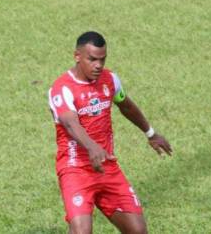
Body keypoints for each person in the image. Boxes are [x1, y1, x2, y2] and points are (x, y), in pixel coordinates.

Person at [48, 31, 172, 234]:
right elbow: (70, 123)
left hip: (107, 168)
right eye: (92, 59)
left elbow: (126, 106)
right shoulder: (61, 88)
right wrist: (92, 147)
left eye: (102, 59)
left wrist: (151, 133)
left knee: (138, 231)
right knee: (81, 231)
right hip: (75, 170)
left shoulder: (110, 80)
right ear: (77, 56)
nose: (98, 65)